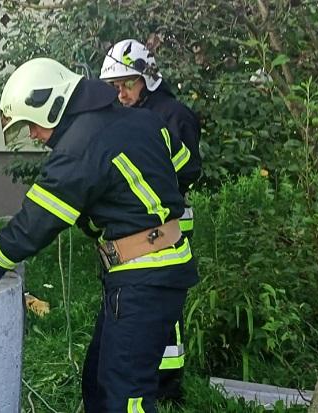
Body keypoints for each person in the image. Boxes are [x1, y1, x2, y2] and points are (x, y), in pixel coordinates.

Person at [0, 57, 198, 413]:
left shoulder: (80, 147)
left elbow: (32, 226)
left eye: (32, 125)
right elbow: (184, 165)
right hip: (155, 269)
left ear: (51, 105)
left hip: (142, 277)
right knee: (99, 382)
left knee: (125, 397)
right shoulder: (145, 120)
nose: (33, 135)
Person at [100, 38, 203, 402]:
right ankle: (155, 376)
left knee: (164, 309)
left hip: (170, 225)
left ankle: (168, 383)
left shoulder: (172, 114)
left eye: (126, 84)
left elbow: (190, 167)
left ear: (147, 78)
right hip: (143, 228)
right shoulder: (135, 114)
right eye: (115, 87)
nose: (121, 93)